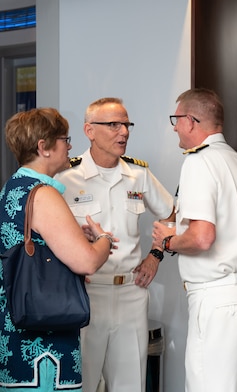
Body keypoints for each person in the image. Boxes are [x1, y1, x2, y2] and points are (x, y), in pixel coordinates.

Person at [55, 97, 175, 392]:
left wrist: (155, 255)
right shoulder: (64, 176)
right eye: (113, 124)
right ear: (89, 130)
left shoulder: (138, 174)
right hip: (84, 294)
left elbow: (172, 213)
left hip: (131, 293)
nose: (124, 132)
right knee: (81, 381)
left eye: (126, 124)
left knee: (130, 383)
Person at [152, 88, 237, 392]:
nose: (174, 126)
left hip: (218, 300)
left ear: (191, 121)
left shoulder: (198, 162)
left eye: (176, 119)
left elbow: (203, 238)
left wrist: (168, 240)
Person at [0, 108, 116, 392]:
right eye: (64, 139)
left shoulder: (13, 187)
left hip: (16, 334)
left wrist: (75, 237)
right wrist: (102, 239)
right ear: (44, 147)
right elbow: (86, 262)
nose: (70, 146)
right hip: (44, 349)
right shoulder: (43, 194)